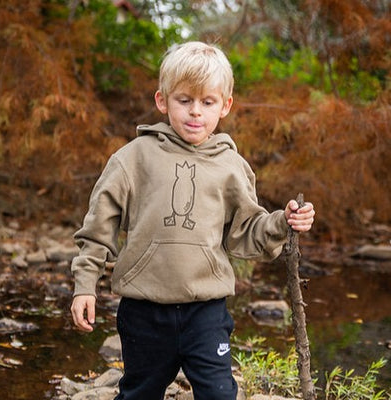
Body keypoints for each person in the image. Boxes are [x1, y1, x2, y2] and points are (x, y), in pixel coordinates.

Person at [70, 41, 315, 400]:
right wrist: (85, 285)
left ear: (225, 106)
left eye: (207, 102)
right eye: (184, 100)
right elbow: (97, 229)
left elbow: (247, 232)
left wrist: (283, 221)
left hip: (206, 311)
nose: (195, 112)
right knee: (138, 393)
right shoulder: (132, 158)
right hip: (143, 311)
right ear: (162, 100)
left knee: (219, 394)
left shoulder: (231, 166)